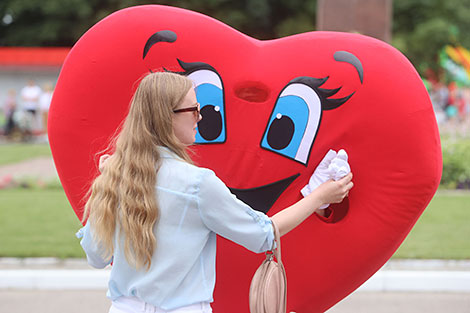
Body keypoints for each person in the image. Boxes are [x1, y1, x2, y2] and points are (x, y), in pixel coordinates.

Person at [77, 72, 353, 313]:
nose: (200, 116)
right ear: (167, 118)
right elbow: (264, 235)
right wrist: (318, 196)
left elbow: (96, 256)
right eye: (194, 109)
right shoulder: (197, 184)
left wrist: (106, 179)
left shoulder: (114, 176)